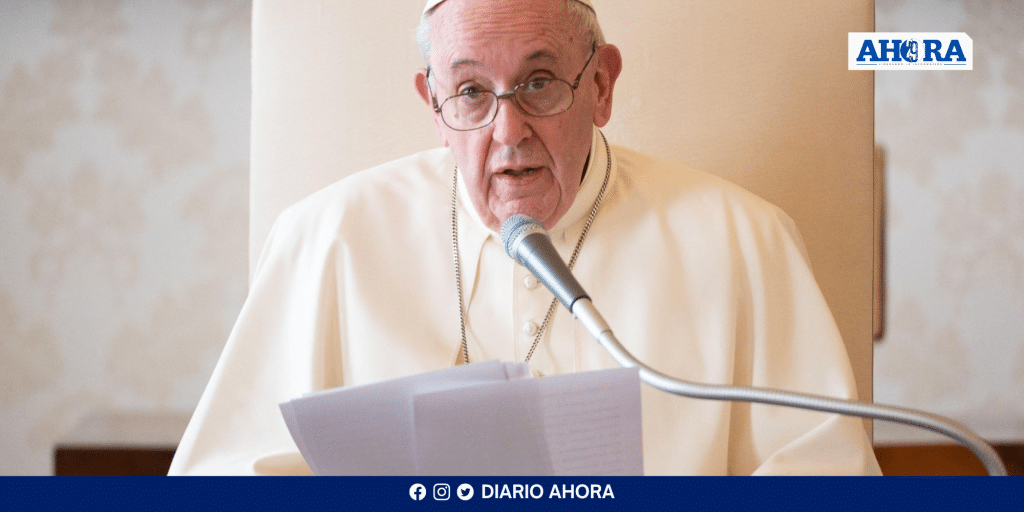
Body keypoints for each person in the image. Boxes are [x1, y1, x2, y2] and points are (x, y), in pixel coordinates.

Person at [168, 0, 881, 475]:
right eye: (471, 92)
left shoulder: (743, 242)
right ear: (434, 105)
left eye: (539, 83)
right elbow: (224, 478)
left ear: (601, 86)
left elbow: (824, 477)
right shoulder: (329, 239)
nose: (508, 132)